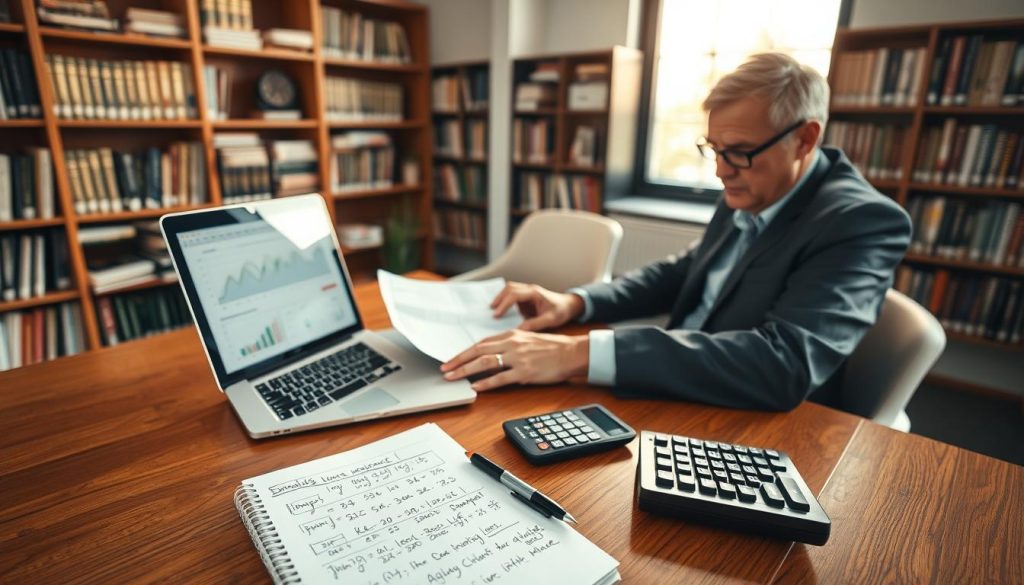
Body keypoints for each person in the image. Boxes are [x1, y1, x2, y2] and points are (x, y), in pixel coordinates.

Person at [440, 52, 912, 412]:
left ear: (805, 139)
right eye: (714, 149)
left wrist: (576, 354)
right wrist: (577, 302)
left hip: (757, 426)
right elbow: (685, 272)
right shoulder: (753, 183)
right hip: (678, 389)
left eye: (740, 152)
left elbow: (782, 365)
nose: (721, 171)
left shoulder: (862, 223)